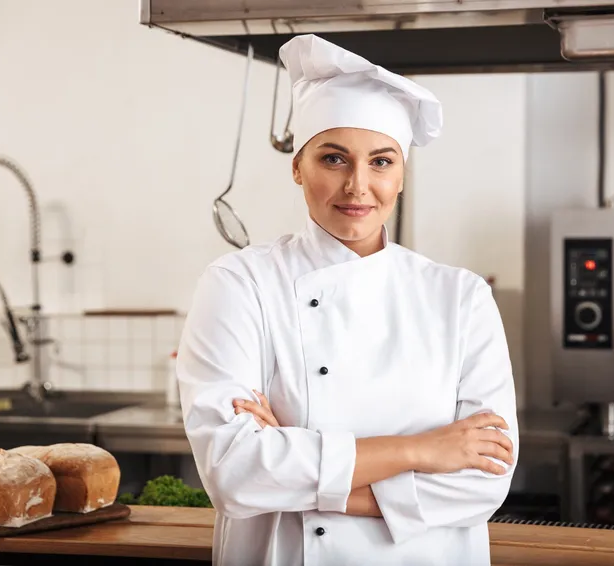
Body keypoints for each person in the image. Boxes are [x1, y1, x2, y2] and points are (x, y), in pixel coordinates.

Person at [176, 34, 519, 566]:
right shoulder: (239, 283)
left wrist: (295, 462)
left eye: (381, 162)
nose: (358, 186)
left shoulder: (461, 298)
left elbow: (483, 483)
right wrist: (421, 450)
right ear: (298, 167)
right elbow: (233, 472)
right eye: (334, 158)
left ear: (401, 175)